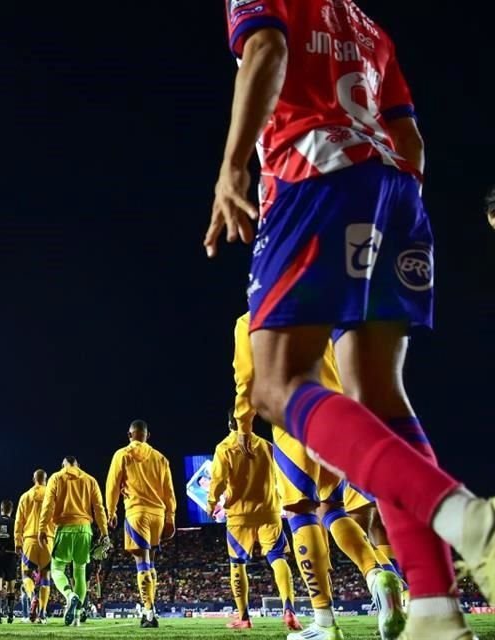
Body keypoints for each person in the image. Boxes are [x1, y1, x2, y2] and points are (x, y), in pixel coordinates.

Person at [207, 3, 495, 639]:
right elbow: (411, 139)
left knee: (278, 386)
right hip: (395, 191)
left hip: (314, 174)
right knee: (381, 397)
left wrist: (233, 168)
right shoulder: (369, 26)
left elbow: (267, 54)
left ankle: (464, 516)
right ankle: (435, 610)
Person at [233, 312, 403, 639]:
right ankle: (377, 574)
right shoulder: (320, 309)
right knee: (333, 508)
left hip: (292, 417)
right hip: (339, 414)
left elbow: (248, 378)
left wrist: (244, 426)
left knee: (300, 514)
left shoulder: (250, 320)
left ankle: (324, 622)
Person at [208, 411, 300, 632]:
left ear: (229, 423)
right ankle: (289, 610)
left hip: (239, 517)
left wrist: (212, 505)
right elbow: (282, 476)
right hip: (269, 513)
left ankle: (244, 618)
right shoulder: (267, 446)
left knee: (237, 564)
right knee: (278, 558)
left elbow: (218, 482)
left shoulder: (224, 448)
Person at [104, 419, 176, 629]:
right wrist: (170, 517)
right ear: (147, 436)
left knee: (141, 562)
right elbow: (169, 492)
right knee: (151, 561)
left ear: (129, 435)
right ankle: (151, 608)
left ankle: (148, 611)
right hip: (158, 515)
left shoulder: (123, 454)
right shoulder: (160, 458)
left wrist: (111, 511)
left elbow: (112, 484)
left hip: (137, 512)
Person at [38, 456, 109, 626]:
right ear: (79, 465)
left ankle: (70, 595)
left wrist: (42, 528)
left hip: (64, 528)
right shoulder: (90, 480)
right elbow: (99, 508)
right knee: (80, 573)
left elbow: (48, 506)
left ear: (63, 465)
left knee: (56, 569)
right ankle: (76, 617)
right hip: (85, 529)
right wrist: (104, 532)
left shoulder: (56, 478)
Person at [14, 469, 53, 624]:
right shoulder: (51, 495)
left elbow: (18, 521)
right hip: (47, 539)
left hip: (29, 540)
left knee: (26, 574)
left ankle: (32, 597)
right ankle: (42, 614)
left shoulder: (25, 496)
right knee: (46, 576)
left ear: (33, 479)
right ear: (46, 479)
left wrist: (17, 541)